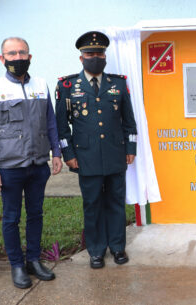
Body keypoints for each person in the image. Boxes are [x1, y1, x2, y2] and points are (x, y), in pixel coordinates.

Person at [0, 37, 63, 289]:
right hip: (9, 167)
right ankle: (17, 265)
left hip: (38, 165)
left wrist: (56, 152)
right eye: (11, 54)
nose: (17, 58)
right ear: (2, 58)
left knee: (36, 214)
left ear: (30, 57)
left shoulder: (41, 85)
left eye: (22, 53)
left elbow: (50, 122)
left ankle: (34, 261)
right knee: (11, 218)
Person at [55, 31, 137, 269]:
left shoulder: (118, 83)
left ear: (105, 56)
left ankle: (118, 247)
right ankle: (96, 250)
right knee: (92, 204)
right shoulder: (68, 85)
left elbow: (128, 121)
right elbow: (61, 126)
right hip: (85, 156)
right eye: (90, 53)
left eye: (99, 53)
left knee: (115, 202)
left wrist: (130, 147)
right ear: (81, 58)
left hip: (115, 153)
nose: (95, 57)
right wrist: (68, 154)